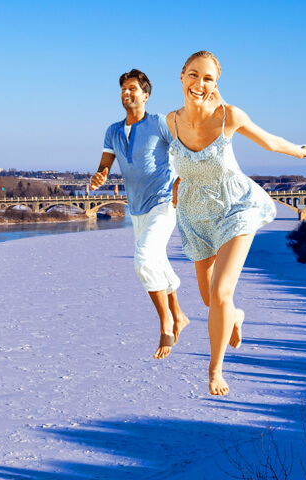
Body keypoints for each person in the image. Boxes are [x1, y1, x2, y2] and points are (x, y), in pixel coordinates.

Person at [165, 51, 306, 396]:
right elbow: (164, 161)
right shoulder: (169, 122)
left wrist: (300, 151)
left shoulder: (229, 116)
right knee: (209, 299)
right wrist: (175, 182)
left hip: (235, 206)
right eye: (193, 75)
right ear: (181, 76)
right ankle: (235, 316)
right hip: (195, 213)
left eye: (208, 78)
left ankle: (215, 370)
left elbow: (271, 142)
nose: (199, 84)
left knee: (220, 293)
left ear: (216, 84)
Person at [89, 69, 191, 360]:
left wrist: (181, 181)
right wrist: (100, 176)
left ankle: (166, 324)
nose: (126, 93)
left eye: (132, 88)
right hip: (136, 208)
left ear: (145, 94)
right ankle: (179, 314)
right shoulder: (113, 130)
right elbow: (105, 165)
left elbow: (186, 150)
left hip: (163, 203)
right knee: (156, 260)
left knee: (144, 259)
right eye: (123, 88)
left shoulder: (160, 123)